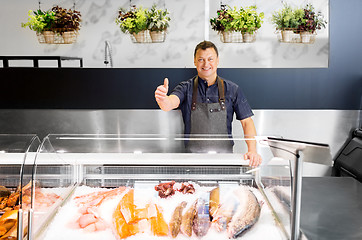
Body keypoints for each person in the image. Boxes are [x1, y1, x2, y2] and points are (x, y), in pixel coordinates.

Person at [154, 40, 262, 167]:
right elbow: (170, 103)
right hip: (192, 162)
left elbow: (246, 122)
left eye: (210, 59)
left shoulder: (232, 89)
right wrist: (163, 99)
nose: (206, 64)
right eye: (201, 59)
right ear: (194, 61)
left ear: (217, 60)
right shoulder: (185, 88)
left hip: (225, 162)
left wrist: (252, 150)